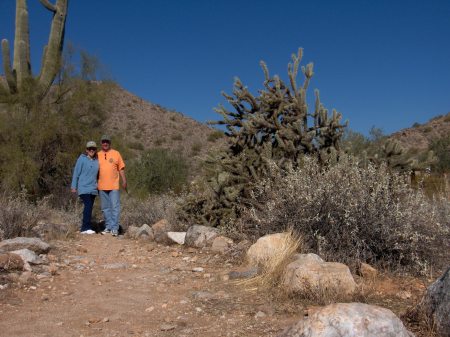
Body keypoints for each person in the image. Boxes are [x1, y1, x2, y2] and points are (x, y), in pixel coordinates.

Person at [98, 134, 127, 236]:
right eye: (103, 142)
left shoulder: (116, 154)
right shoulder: (98, 155)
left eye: (107, 142)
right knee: (105, 208)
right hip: (101, 186)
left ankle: (115, 228)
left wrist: (124, 181)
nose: (105, 143)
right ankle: (108, 226)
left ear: (110, 143)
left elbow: (121, 168)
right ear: (101, 143)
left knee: (115, 207)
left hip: (114, 186)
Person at [71, 141, 99, 234]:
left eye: (93, 149)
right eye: (89, 148)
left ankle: (87, 227)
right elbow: (76, 173)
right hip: (84, 187)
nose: (91, 150)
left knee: (90, 207)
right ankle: (85, 228)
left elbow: (99, 174)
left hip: (93, 189)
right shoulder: (81, 159)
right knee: (88, 205)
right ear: (86, 150)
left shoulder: (97, 160)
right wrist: (73, 186)